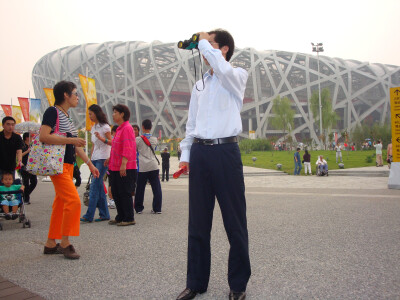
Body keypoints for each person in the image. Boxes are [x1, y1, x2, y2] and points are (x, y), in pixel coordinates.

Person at [176, 30, 251, 300]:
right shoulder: (200, 86)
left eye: (211, 45)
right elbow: (191, 125)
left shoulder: (237, 76)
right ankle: (195, 282)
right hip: (201, 153)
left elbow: (220, 66)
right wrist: (186, 157)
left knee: (234, 221)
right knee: (198, 223)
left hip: (226, 152)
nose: (205, 51)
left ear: (225, 50)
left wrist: (203, 41)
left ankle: (238, 284)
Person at [41, 81, 99, 259]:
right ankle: (65, 242)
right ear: (65, 95)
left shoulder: (66, 116)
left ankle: (51, 243)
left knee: (60, 205)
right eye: (75, 93)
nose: (77, 97)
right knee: (73, 201)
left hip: (67, 166)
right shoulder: (53, 112)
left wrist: (89, 163)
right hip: (57, 166)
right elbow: (44, 136)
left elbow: (75, 145)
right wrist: (71, 141)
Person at [106, 104, 137, 226]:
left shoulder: (127, 128)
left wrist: (124, 163)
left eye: (115, 112)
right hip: (115, 166)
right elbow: (116, 146)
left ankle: (129, 217)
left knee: (124, 192)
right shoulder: (119, 129)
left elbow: (128, 147)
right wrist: (110, 159)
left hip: (125, 166)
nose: (113, 115)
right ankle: (120, 216)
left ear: (122, 114)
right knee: (116, 191)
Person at [80, 104, 111, 223]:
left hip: (103, 159)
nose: (89, 116)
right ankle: (104, 214)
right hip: (95, 158)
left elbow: (112, 142)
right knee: (98, 187)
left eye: (91, 114)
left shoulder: (105, 127)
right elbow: (93, 145)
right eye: (88, 114)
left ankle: (89, 215)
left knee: (94, 186)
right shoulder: (94, 127)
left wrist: (102, 138)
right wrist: (90, 160)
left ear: (97, 113)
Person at [134, 119, 162, 214]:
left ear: (142, 127)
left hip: (143, 166)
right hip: (153, 165)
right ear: (151, 127)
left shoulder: (137, 139)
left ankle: (139, 208)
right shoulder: (155, 139)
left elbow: (135, 150)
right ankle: (157, 208)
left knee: (140, 188)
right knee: (156, 187)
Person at [20, 132, 37, 204]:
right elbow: (19, 154)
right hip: (24, 165)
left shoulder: (32, 144)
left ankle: (25, 195)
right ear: (27, 138)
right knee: (26, 183)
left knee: (34, 182)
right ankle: (26, 199)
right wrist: (27, 151)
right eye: (31, 137)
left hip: (32, 165)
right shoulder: (21, 145)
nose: (32, 138)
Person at [107, 125, 118, 209]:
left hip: (111, 165)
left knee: (111, 183)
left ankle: (112, 200)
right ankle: (113, 200)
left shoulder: (114, 139)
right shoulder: (115, 139)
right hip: (113, 164)